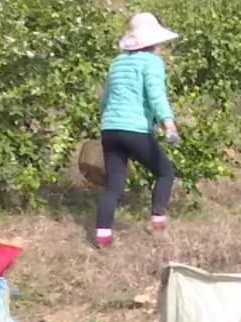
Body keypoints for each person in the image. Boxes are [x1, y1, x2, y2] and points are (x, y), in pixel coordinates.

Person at [96, 12, 180, 249]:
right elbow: (155, 94)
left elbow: (105, 99)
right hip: (135, 129)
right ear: (153, 41)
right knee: (165, 172)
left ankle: (102, 235)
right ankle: (158, 222)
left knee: (113, 185)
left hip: (109, 128)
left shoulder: (116, 62)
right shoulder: (152, 62)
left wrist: (105, 121)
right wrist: (169, 124)